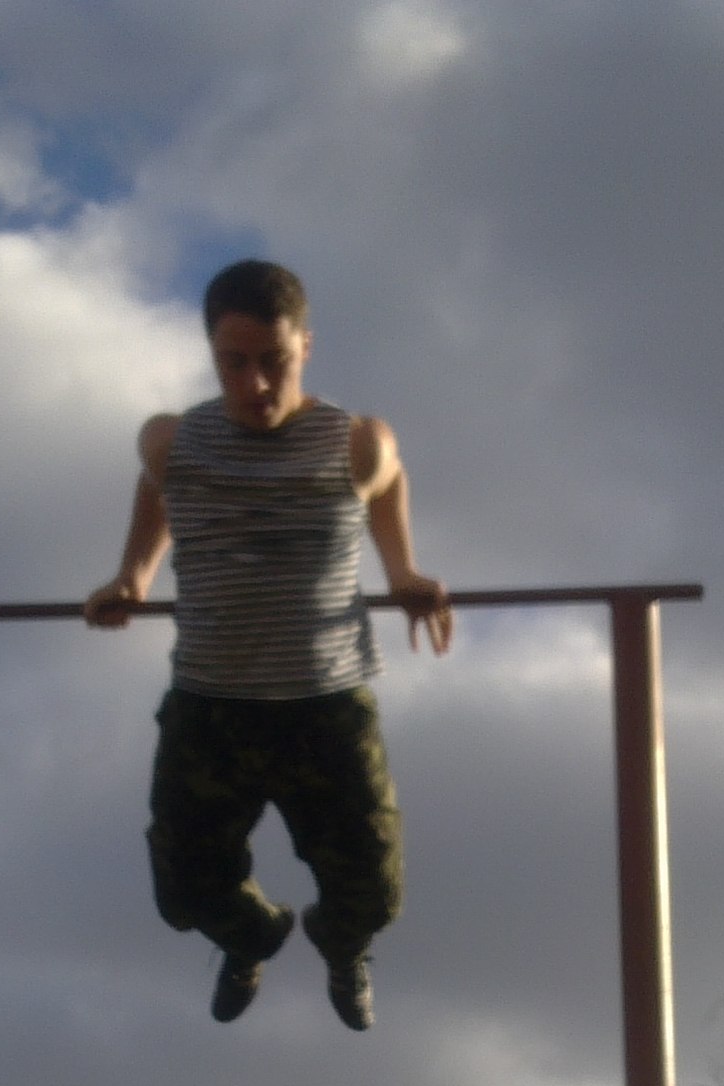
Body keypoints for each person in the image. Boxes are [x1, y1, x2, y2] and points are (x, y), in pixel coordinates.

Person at [85, 259, 452, 1031]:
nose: (254, 384)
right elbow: (158, 486)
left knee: (373, 891)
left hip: (326, 704)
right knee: (185, 889)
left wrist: (403, 571)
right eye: (234, 363)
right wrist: (132, 577)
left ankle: (341, 946)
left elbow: (389, 483)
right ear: (213, 355)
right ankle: (252, 937)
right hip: (211, 705)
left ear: (305, 347)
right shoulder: (173, 441)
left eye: (273, 361)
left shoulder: (354, 442)